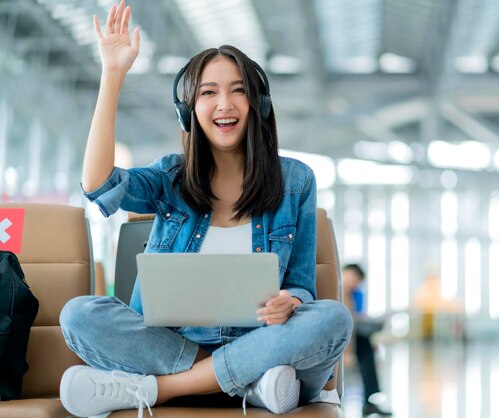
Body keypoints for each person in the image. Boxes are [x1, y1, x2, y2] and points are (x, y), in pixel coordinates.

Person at [58, 2, 352, 417]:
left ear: (259, 105)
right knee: (79, 314)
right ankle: (249, 387)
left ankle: (161, 390)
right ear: (189, 110)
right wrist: (112, 74)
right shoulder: (169, 177)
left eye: (238, 90)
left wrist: (292, 301)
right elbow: (98, 184)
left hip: (264, 341)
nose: (224, 104)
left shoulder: (296, 180)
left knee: (332, 318)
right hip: (187, 347)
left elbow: (302, 284)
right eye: (208, 92)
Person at [342, 264, 392, 416]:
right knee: (365, 348)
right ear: (349, 274)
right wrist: (347, 353)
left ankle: (370, 401)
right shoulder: (338, 290)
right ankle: (369, 402)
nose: (356, 285)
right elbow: (346, 327)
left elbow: (352, 323)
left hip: (350, 335)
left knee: (367, 348)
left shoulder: (349, 293)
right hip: (337, 338)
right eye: (356, 280)